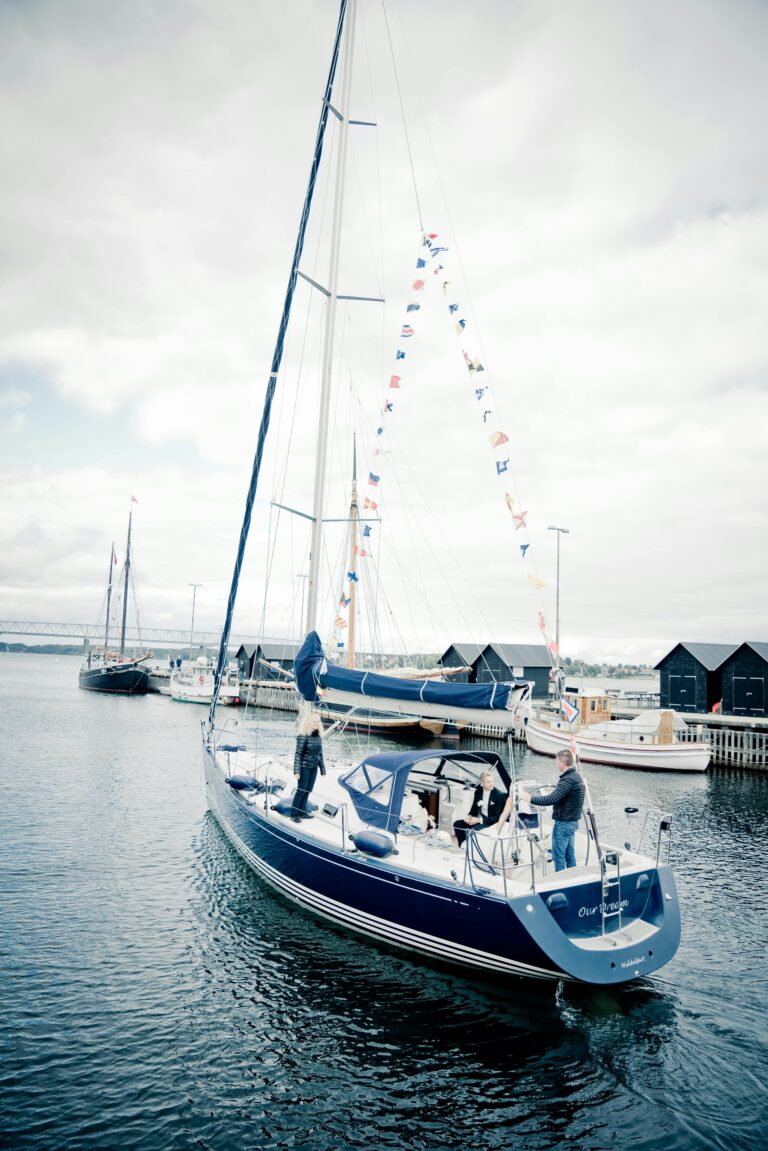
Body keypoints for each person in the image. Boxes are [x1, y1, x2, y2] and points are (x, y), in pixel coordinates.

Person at [519, 750, 585, 871]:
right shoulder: (576, 776)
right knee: (570, 856)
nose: (556, 763)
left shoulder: (567, 779)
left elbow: (551, 799)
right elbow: (565, 796)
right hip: (572, 823)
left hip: (563, 824)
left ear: (562, 763)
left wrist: (529, 798)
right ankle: (573, 878)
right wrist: (555, 794)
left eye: (557, 761)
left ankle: (561, 883)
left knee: (558, 857)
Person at [453, 771, 507, 847]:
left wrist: (478, 820)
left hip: (492, 823)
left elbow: (497, 818)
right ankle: (462, 847)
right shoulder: (478, 792)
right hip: (481, 821)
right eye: (488, 782)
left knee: (474, 830)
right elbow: (474, 809)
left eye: (492, 781)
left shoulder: (499, 795)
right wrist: (469, 816)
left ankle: (470, 849)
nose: (491, 784)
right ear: (482, 783)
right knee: (457, 824)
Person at [291, 710, 326, 822]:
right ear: (308, 723)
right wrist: (297, 771)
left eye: (318, 722)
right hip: (304, 767)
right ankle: (294, 814)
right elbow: (298, 754)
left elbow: (320, 753)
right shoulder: (302, 736)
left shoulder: (318, 737)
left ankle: (302, 812)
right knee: (301, 790)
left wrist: (322, 769)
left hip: (313, 768)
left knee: (308, 790)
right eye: (314, 722)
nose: (317, 724)